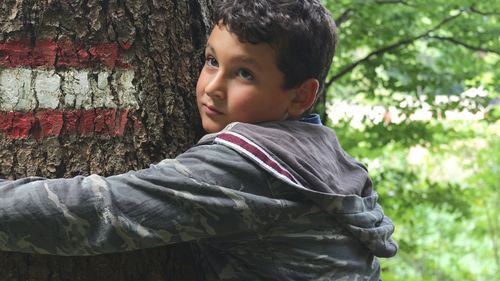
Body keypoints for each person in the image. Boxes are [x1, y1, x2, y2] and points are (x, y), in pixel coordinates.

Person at [0, 0, 397, 280]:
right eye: (212, 61)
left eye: (245, 74)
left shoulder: (250, 166)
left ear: (300, 96)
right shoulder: (319, 152)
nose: (213, 87)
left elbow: (97, 211)